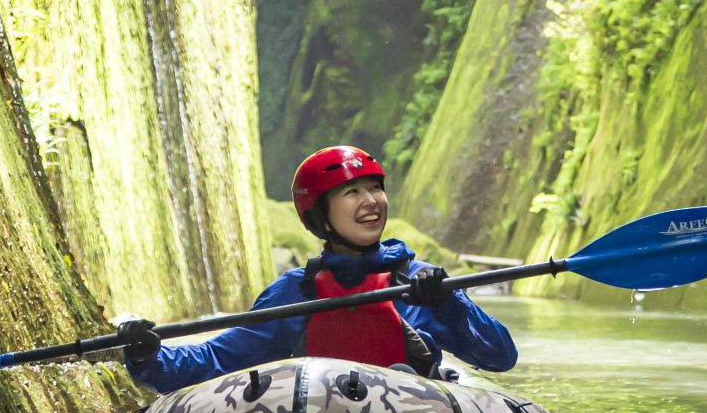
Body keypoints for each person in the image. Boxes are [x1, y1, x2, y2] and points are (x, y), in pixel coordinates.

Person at [117, 144, 518, 393]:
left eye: (375, 188)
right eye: (352, 192)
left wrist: (450, 305)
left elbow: (500, 356)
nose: (371, 201)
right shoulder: (297, 292)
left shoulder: (420, 282)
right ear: (321, 216)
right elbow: (218, 359)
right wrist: (150, 356)